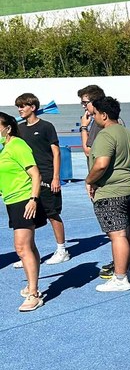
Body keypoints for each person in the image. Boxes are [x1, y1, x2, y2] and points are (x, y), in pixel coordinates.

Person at [85, 96, 130, 292]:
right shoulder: (129, 136)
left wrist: (89, 180)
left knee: (118, 235)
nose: (93, 118)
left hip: (111, 192)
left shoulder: (105, 135)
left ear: (104, 115)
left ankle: (120, 278)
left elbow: (101, 164)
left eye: (95, 114)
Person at [15, 92, 70, 264]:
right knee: (29, 217)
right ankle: (29, 254)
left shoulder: (47, 126)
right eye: (18, 106)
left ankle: (62, 250)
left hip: (47, 176)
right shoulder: (19, 129)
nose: (19, 109)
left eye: (22, 106)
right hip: (28, 179)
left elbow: (56, 153)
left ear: (32, 107)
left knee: (52, 214)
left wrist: (56, 177)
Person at [0, 112, 45, 311]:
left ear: (7, 128)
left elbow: (35, 174)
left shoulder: (18, 145)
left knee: (21, 247)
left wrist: (33, 199)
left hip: (23, 200)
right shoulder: (4, 149)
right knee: (29, 246)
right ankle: (31, 284)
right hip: (12, 200)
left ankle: (34, 294)